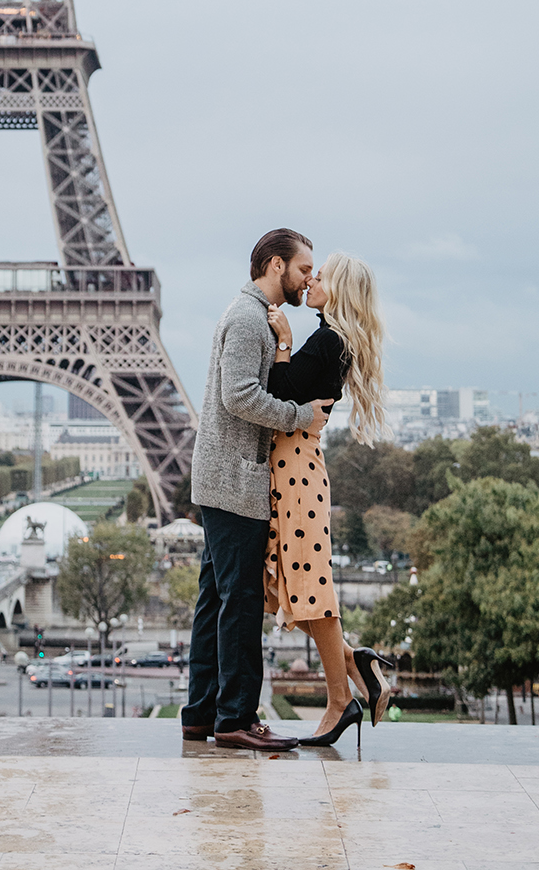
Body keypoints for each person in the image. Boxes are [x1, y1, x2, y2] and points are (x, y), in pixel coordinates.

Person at [181, 228, 323, 751]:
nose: (310, 278)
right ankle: (235, 718)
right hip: (236, 479)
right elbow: (238, 395)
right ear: (275, 265)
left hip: (224, 477)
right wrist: (299, 416)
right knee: (238, 602)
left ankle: (201, 713)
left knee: (216, 601)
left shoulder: (250, 316)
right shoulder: (246, 319)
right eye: (304, 268)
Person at [265, 251, 393, 747]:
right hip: (296, 469)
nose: (312, 280)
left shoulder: (326, 341)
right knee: (299, 586)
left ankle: (340, 701)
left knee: (309, 588)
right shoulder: (333, 340)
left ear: (338, 290)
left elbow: (279, 392)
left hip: (296, 471)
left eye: (323, 276)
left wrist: (283, 343)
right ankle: (356, 664)